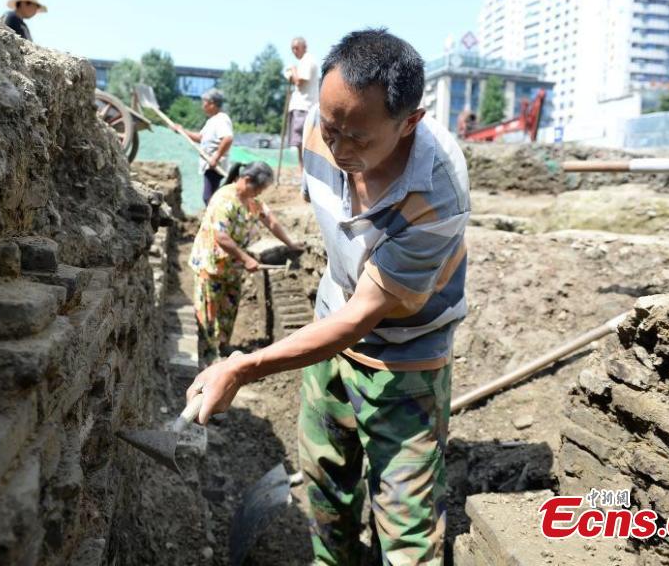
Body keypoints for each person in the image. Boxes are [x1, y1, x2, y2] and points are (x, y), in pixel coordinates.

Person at [187, 29, 470, 564]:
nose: (336, 148)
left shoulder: (437, 194)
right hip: (330, 327)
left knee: (407, 528)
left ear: (410, 121)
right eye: (330, 126)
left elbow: (365, 315)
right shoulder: (322, 130)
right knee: (324, 484)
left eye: (357, 138)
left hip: (406, 356)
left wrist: (245, 367)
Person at [188, 162, 301, 365]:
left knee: (229, 306)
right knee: (210, 311)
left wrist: (291, 244)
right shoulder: (225, 199)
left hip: (231, 265)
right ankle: (209, 355)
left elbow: (271, 221)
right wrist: (247, 259)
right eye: (258, 188)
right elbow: (221, 237)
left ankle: (223, 346)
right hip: (211, 264)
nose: (259, 193)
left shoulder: (250, 200)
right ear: (247, 180)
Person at [175, 88, 233, 206]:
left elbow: (228, 138)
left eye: (204, 102)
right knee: (210, 197)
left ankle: (215, 221)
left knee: (209, 198)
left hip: (215, 165)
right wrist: (182, 131)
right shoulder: (212, 121)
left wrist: (215, 157)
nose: (203, 106)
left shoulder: (221, 119)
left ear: (212, 104)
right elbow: (200, 137)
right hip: (210, 164)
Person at [284, 37, 319, 174]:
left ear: (305, 47)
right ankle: (304, 172)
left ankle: (307, 172)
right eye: (292, 48)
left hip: (304, 107)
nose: (294, 51)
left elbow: (299, 82)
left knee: (303, 142)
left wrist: (292, 70)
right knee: (300, 143)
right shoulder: (304, 61)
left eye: (296, 48)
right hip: (302, 106)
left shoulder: (307, 61)